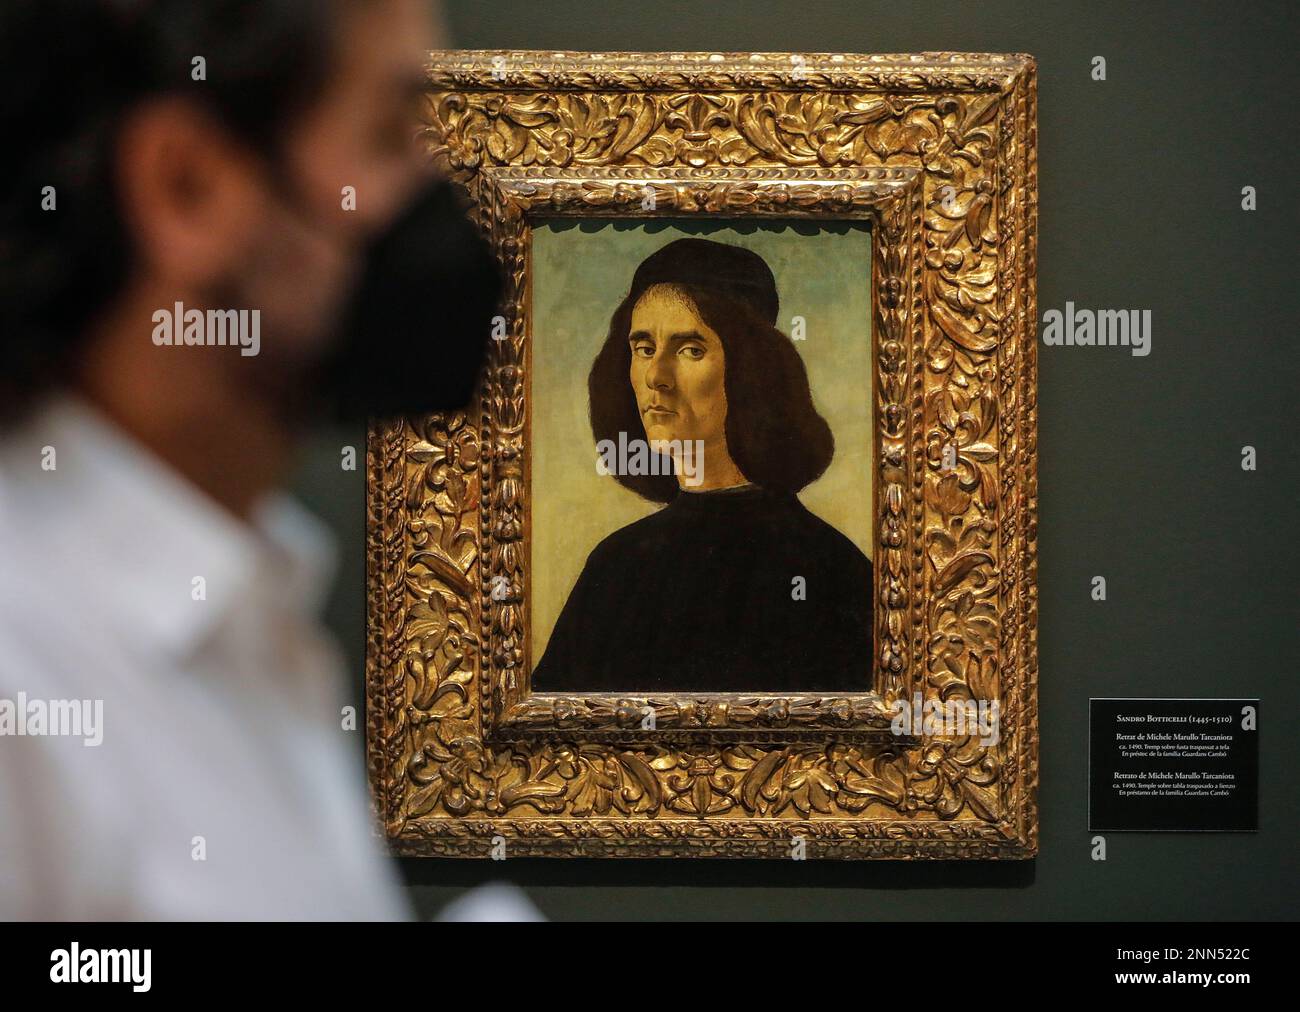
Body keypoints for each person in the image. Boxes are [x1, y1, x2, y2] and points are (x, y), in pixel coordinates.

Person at [0, 0, 501, 919]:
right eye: (388, 135)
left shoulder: (252, 604)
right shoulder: (19, 674)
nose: (437, 196)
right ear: (185, 187)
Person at [531, 238, 873, 695]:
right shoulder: (615, 566)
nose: (656, 377)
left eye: (691, 349)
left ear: (749, 370)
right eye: (644, 348)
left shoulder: (827, 571)